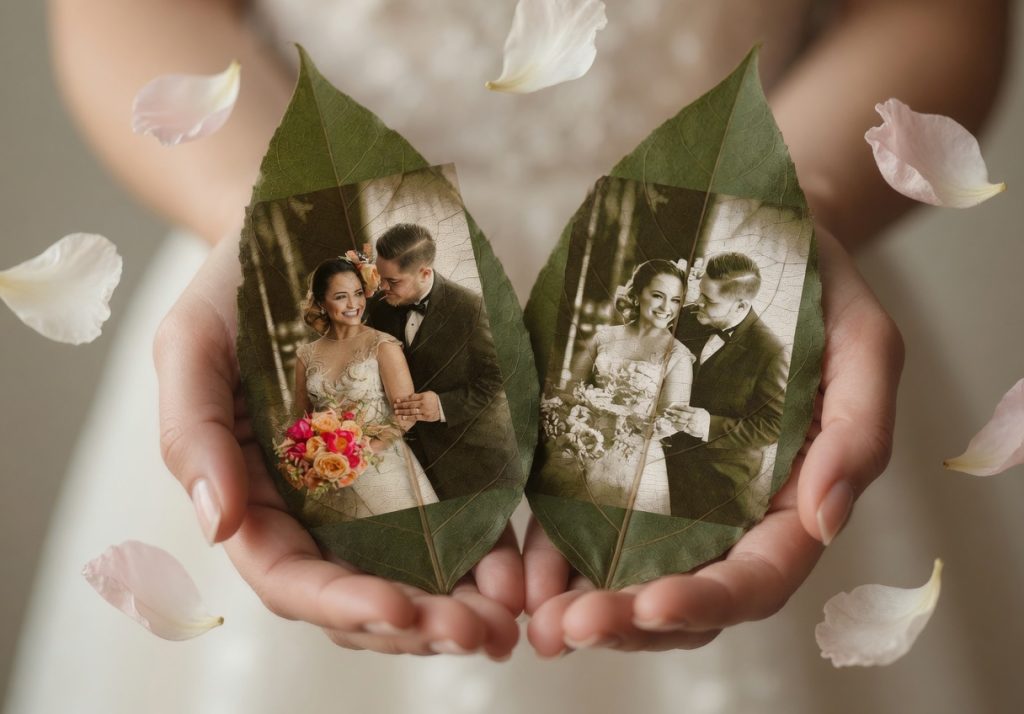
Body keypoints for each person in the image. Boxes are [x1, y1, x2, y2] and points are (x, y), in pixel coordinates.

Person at [8, 1, 1012, 712]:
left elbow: (935, 13)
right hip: (317, 265)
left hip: (725, 241)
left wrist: (773, 221)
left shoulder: (691, 313)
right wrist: (292, 230)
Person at [366, 223, 520, 500]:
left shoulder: (472, 309)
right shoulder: (379, 308)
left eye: (393, 281)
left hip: (471, 460)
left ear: (425, 272)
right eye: (380, 276)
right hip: (411, 458)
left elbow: (502, 378)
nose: (382, 287)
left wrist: (442, 405)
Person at [291, 256, 439, 519]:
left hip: (384, 467)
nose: (353, 304)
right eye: (341, 297)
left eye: (358, 294)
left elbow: (406, 414)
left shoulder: (383, 345)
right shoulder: (306, 355)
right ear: (322, 302)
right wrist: (309, 459)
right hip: (328, 476)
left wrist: (364, 450)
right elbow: (301, 421)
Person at [544, 259, 694, 515]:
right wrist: (576, 422)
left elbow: (673, 420)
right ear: (637, 296)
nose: (666, 307)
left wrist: (627, 424)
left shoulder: (678, 355)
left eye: (675, 300)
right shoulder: (604, 337)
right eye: (658, 296)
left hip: (633, 459)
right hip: (583, 445)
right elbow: (571, 392)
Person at [661, 252, 788, 526]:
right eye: (701, 293)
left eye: (709, 300)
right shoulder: (686, 318)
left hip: (721, 489)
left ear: (741, 306)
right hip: (665, 470)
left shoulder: (771, 352)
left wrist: (708, 424)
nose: (698, 303)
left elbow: (775, 425)